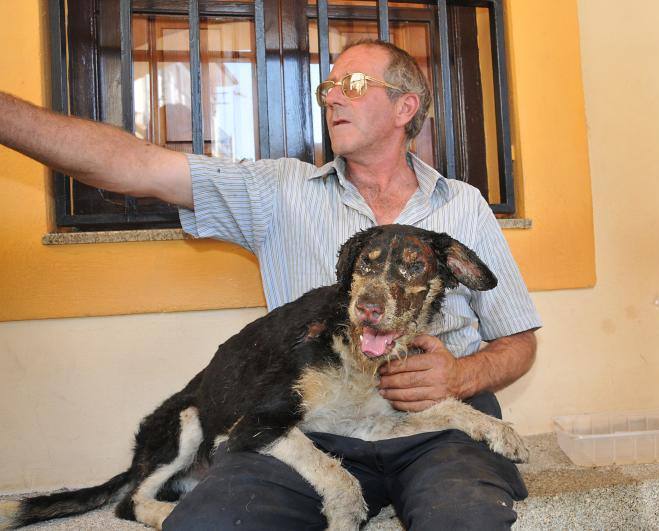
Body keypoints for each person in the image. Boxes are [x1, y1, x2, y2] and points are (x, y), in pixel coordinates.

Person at [0, 39, 541, 530]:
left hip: (435, 427)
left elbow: (519, 341)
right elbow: (135, 167)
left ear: (406, 107)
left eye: (350, 85)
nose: (331, 98)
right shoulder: (279, 189)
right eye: (327, 87)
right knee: (207, 523)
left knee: (465, 518)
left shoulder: (464, 205)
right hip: (310, 429)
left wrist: (460, 375)